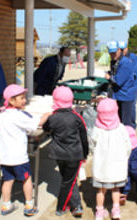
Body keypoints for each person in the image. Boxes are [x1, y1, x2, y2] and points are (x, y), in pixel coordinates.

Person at [0, 84, 50, 217]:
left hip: (5, 157)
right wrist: (48, 114)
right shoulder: (18, 116)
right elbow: (36, 124)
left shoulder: (2, 115)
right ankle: (29, 205)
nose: (24, 100)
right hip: (19, 157)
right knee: (27, 179)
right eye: (21, 98)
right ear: (11, 100)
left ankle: (6, 204)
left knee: (8, 180)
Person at [43, 86, 88, 217]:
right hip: (74, 154)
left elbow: (46, 127)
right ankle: (62, 207)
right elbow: (83, 138)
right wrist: (84, 154)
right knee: (69, 181)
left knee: (68, 179)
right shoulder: (76, 118)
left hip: (59, 154)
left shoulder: (53, 118)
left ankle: (75, 204)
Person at [89, 98, 131, 220]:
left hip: (101, 166)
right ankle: (115, 210)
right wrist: (125, 157)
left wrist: (95, 154)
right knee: (116, 189)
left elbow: (92, 145)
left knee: (101, 190)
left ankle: (99, 211)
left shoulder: (97, 130)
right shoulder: (121, 128)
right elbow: (128, 146)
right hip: (117, 165)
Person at [105, 41, 136, 128]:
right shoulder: (115, 61)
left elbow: (118, 81)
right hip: (118, 95)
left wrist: (108, 77)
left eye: (114, 52)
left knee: (125, 123)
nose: (112, 55)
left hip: (125, 96)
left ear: (119, 50)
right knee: (118, 122)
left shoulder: (125, 62)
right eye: (110, 53)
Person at [118, 41, 137, 129]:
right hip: (124, 88)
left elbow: (133, 74)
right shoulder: (119, 58)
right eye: (119, 49)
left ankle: (132, 126)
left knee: (131, 107)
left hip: (133, 87)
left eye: (122, 49)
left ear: (127, 48)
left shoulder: (133, 58)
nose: (121, 51)